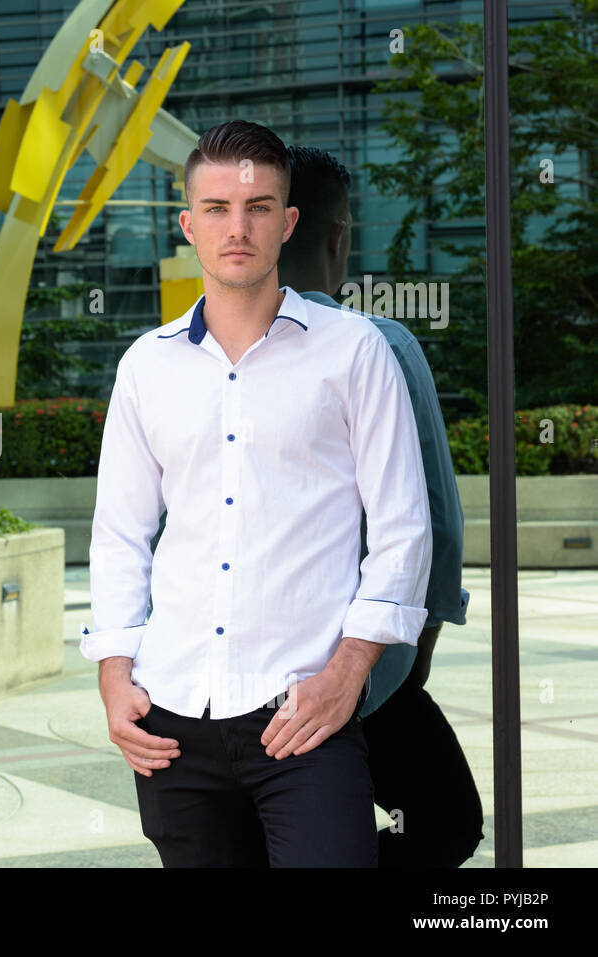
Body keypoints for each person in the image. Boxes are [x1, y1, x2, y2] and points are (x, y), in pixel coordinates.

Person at [82, 119, 432, 867]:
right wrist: (115, 676)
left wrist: (348, 674)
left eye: (258, 207)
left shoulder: (356, 351)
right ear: (188, 224)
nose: (236, 227)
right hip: (171, 717)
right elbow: (118, 534)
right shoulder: (147, 366)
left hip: (302, 713)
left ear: (288, 221)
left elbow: (404, 528)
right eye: (216, 208)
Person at [279, 145, 483, 866]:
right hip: (357, 663)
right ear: (337, 235)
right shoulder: (382, 344)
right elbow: (436, 521)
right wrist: (416, 646)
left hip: (232, 682)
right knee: (444, 820)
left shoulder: (192, 355)